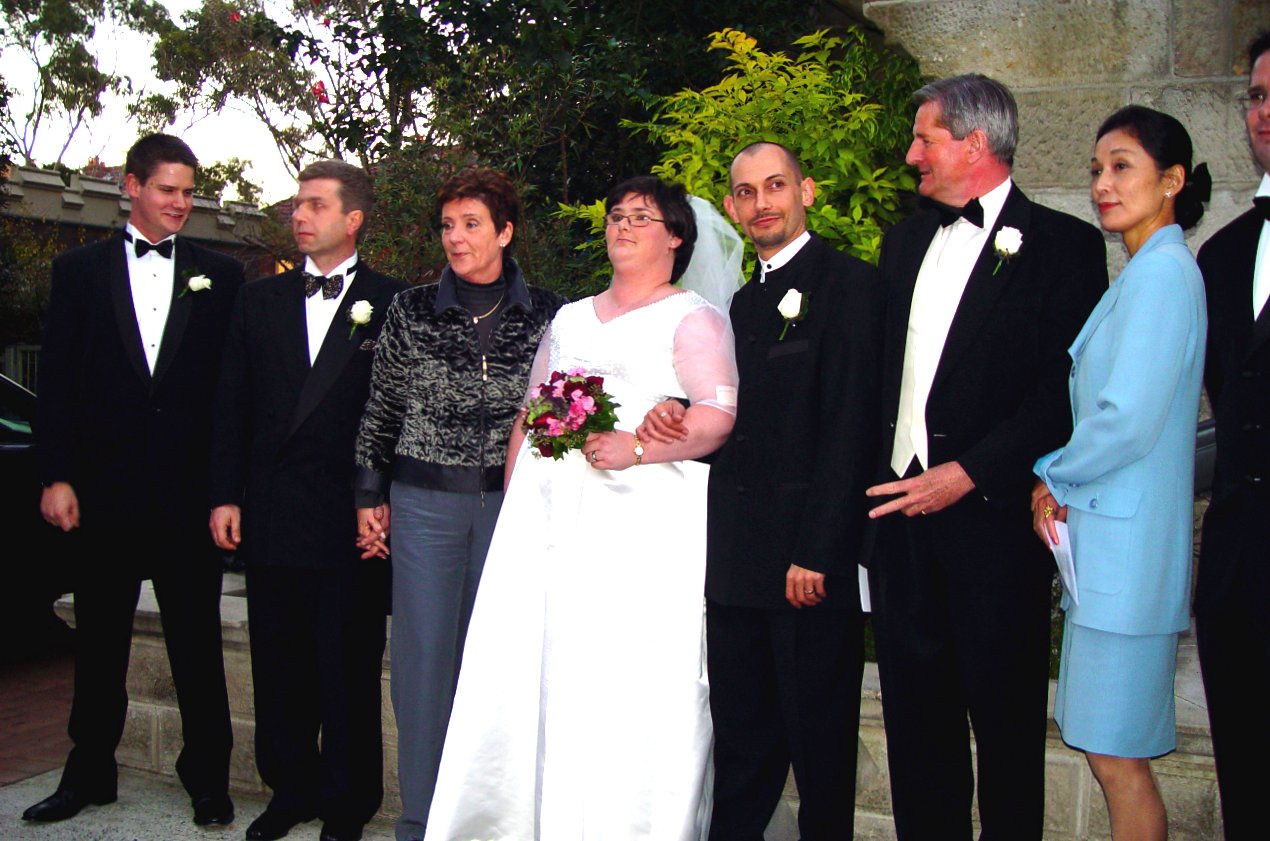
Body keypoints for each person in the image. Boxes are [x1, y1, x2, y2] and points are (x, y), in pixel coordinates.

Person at [422, 175, 738, 841]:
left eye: (641, 218)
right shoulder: (568, 318)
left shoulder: (693, 318)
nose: (621, 226)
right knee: (537, 667)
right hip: (549, 527)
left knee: (621, 677)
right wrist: (515, 506)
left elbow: (717, 416)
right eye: (616, 215)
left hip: (636, 531)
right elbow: (531, 412)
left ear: (676, 237)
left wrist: (641, 447)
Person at [863, 75, 1108, 839]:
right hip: (902, 525)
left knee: (1005, 736)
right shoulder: (902, 241)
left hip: (994, 529)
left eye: (925, 139)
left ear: (975, 143)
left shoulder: (1065, 245)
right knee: (916, 736)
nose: (911, 155)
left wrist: (969, 473)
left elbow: (1059, 390)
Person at [643, 141, 881, 840]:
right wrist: (670, 407)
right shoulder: (740, 305)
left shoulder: (853, 286)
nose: (761, 202)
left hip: (808, 567)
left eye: (775, 185)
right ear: (730, 206)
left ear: (806, 190)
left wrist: (820, 551)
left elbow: (851, 427)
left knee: (820, 749)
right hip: (738, 565)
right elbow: (731, 415)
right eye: (745, 192)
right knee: (743, 745)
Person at [26, 134, 240, 826]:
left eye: (188, 191)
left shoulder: (223, 274)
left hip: (187, 500)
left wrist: (224, 489)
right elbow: (55, 385)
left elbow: (230, 398)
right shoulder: (78, 270)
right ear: (132, 186)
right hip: (103, 494)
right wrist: (56, 474)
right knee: (99, 642)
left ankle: (207, 776)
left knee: (196, 644)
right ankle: (89, 771)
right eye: (167, 189)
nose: (180, 203)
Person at [352, 167, 563, 841]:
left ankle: (490, 818)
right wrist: (368, 493)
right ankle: (420, 819)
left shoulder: (554, 314)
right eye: (447, 224)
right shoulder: (411, 311)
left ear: (505, 230)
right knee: (421, 662)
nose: (456, 237)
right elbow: (380, 407)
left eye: (471, 223)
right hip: (424, 508)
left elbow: (564, 416)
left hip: (514, 510)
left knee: (500, 662)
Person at [208, 160, 407, 841]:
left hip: (352, 519)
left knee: (346, 668)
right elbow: (231, 405)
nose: (299, 215)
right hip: (270, 512)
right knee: (280, 664)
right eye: (297, 203)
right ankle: (289, 790)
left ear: (352, 219)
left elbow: (401, 416)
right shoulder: (256, 299)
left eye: (315, 205)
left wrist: (378, 501)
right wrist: (223, 495)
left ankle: (348, 803)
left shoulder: (394, 301)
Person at [1032, 105, 1208, 841]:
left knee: (1118, 758)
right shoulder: (1143, 272)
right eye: (1097, 168)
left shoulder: (1164, 274)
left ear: (1171, 180)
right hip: (1109, 559)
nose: (1104, 183)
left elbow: (1126, 417)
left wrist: (1050, 472)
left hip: (1128, 566)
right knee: (1110, 752)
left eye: (1122, 166)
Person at [1195, 31, 1270, 841]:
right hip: (1238, 557)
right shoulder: (1221, 254)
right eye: (1254, 95)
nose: (1264, 110)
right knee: (1244, 769)